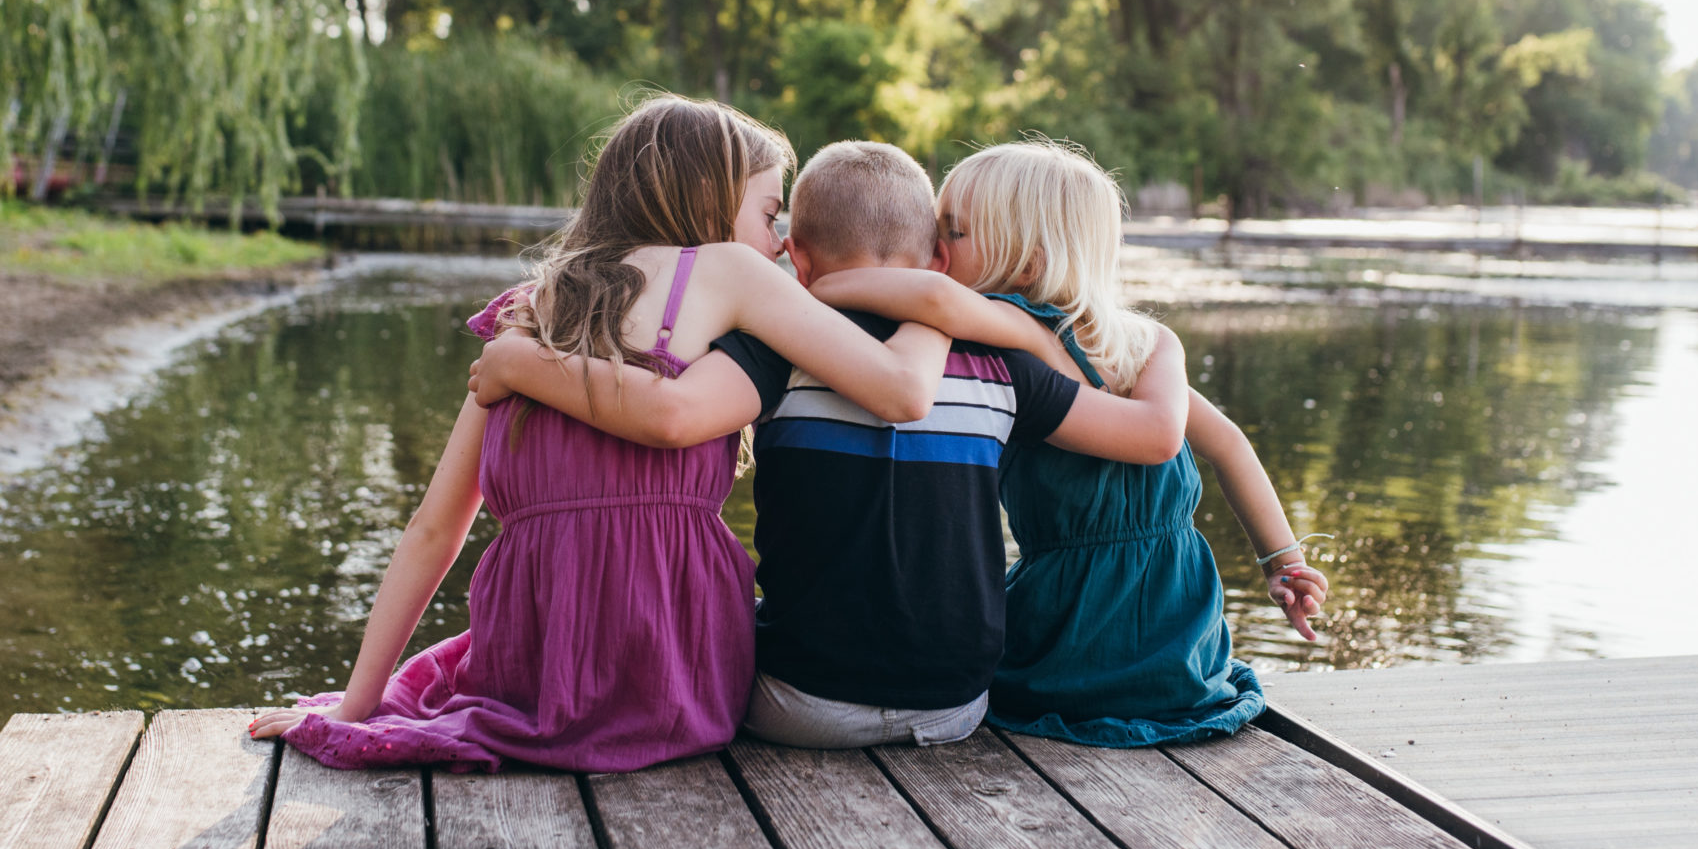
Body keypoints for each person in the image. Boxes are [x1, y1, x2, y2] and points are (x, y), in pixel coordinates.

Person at [247, 97, 950, 772]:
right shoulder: (727, 270)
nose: (778, 241)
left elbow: (436, 527)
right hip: (677, 670)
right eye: (769, 213)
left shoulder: (525, 315)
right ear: (705, 198)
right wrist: (948, 300)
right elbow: (897, 388)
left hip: (530, 670)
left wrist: (356, 703)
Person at [470, 139, 1188, 750]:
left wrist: (525, 361)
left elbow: (671, 412)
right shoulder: (1005, 367)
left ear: (800, 262)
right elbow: (1144, 435)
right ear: (938, 259)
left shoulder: (772, 350)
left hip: (799, 705)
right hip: (956, 704)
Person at [810, 138, 1328, 747]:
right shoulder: (1136, 344)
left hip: (1086, 627)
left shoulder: (1040, 331)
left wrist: (807, 294)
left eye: (952, 231)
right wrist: (1280, 558)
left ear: (1027, 261)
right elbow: (1231, 447)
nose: (934, 250)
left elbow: (1191, 441)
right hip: (1169, 626)